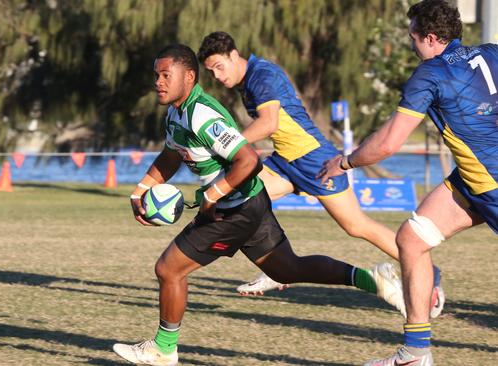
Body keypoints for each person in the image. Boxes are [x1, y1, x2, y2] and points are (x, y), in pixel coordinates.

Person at [112, 43, 404, 366]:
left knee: (168, 269)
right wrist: (140, 189)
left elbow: (248, 160)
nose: (159, 82)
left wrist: (213, 194)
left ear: (189, 77)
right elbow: (170, 155)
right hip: (247, 203)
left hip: (233, 210)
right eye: (156, 75)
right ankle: (372, 278)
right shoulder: (176, 114)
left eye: (166, 75)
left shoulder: (202, 115)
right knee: (288, 268)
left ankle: (163, 349)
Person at [196, 31, 447, 317]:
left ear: (234, 55)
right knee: (246, 199)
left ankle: (431, 273)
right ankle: (279, 268)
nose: (216, 76)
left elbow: (268, 123)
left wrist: (229, 147)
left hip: (314, 160)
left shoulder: (261, 75)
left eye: (219, 67)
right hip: (286, 161)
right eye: (210, 71)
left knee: (356, 226)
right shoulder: (247, 81)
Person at [318, 1, 498, 364]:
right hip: (471, 181)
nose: (412, 44)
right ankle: (415, 354)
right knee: (411, 240)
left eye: (413, 36)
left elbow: (387, 143)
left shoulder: (430, 74)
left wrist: (346, 161)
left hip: (490, 182)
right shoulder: (491, 53)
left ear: (430, 38)